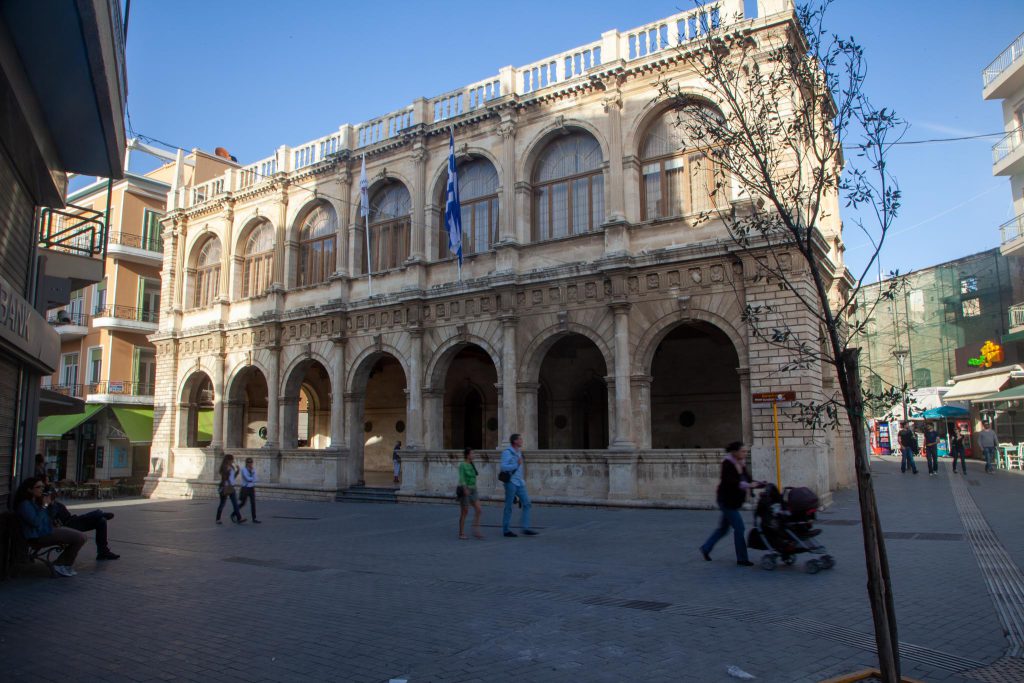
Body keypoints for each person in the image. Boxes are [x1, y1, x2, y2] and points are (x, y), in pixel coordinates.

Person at [699, 442, 765, 567]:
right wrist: (748, 485)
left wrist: (759, 483)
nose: (745, 453)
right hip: (726, 501)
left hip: (734, 501)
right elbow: (732, 482)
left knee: (723, 528)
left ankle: (706, 548)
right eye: (743, 451)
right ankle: (742, 558)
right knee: (739, 528)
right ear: (735, 452)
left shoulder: (741, 463)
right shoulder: (727, 464)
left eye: (746, 451)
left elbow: (747, 478)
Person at [14, 477, 86, 577]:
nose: (41, 489)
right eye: (38, 487)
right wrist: (44, 506)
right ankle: (61, 564)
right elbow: (36, 522)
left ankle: (64, 563)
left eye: (42, 487)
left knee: (82, 536)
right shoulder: (25, 505)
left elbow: (49, 516)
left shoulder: (36, 501)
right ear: (29, 489)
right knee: (79, 537)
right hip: (38, 536)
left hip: (47, 530)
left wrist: (51, 504)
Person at [46, 492, 120, 560]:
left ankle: (103, 552)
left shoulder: (54, 503)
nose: (51, 494)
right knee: (90, 517)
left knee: (101, 521)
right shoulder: (44, 505)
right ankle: (98, 513)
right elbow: (49, 518)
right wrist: (50, 505)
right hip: (66, 526)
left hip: (71, 520)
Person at [500, 433, 537, 537]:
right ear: (515, 441)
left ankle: (525, 528)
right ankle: (506, 530)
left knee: (527, 503)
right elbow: (503, 467)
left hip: (519, 483)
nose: (521, 441)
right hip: (511, 482)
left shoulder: (519, 452)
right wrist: (516, 464)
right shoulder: (507, 452)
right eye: (520, 439)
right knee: (508, 506)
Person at [457, 448, 484, 540]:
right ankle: (461, 532)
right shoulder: (463, 465)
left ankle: (475, 528)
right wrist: (465, 489)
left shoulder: (472, 464)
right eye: (472, 453)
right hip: (465, 490)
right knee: (465, 512)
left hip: (473, 490)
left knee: (479, 509)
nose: (474, 455)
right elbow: (461, 478)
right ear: (468, 455)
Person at [216, 454, 246, 524]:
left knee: (235, 503)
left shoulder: (232, 467)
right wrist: (227, 471)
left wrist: (237, 471)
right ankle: (218, 519)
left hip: (231, 487)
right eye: (231, 460)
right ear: (228, 460)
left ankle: (239, 518)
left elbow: (232, 478)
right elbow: (224, 478)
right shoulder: (224, 467)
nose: (233, 461)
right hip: (225, 487)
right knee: (222, 504)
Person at [238, 457, 261, 523]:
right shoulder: (244, 470)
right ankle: (234, 512)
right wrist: (253, 478)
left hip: (251, 488)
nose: (250, 464)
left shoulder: (253, 469)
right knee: (243, 503)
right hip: (245, 488)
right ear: (246, 463)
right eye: (248, 462)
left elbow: (257, 479)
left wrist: (252, 479)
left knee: (253, 503)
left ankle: (254, 518)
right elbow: (247, 478)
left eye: (251, 462)